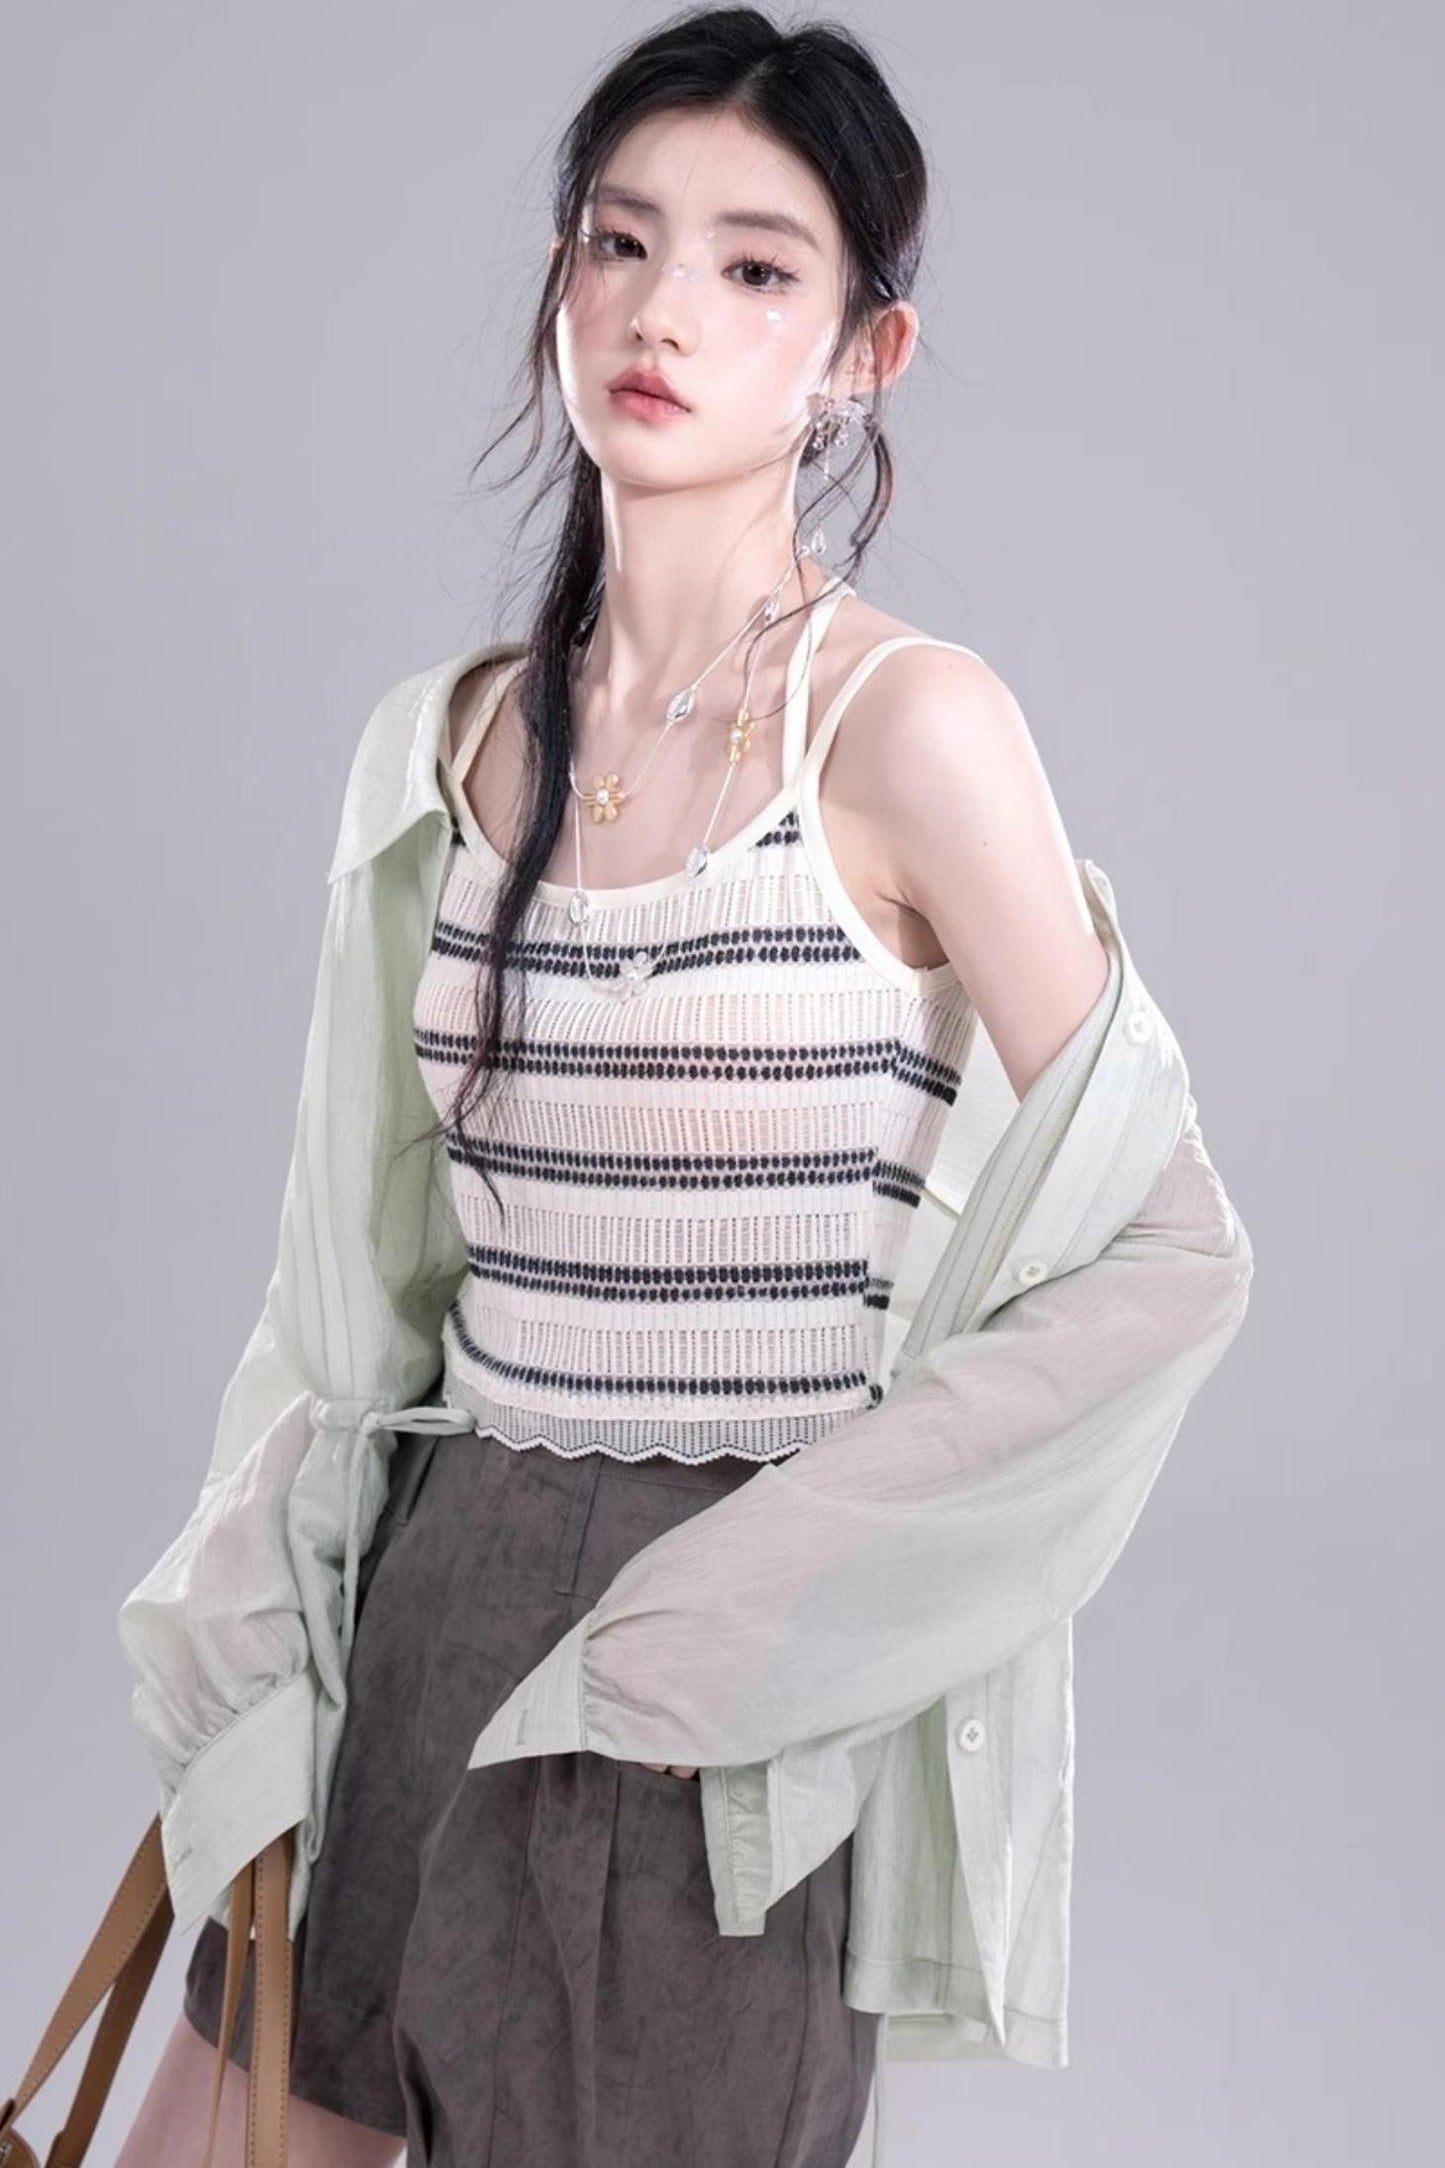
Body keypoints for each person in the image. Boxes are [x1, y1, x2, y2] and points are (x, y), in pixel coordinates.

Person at [114, 9, 1251, 2167]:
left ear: (860, 355)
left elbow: (1171, 1246)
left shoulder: (909, 729)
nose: (661, 312)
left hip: (712, 1664)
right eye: (620, 244)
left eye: (753, 267)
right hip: (423, 1601)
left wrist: (774, 1592)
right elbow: (340, 1308)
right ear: (562, 277)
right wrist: (255, 1683)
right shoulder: (443, 746)